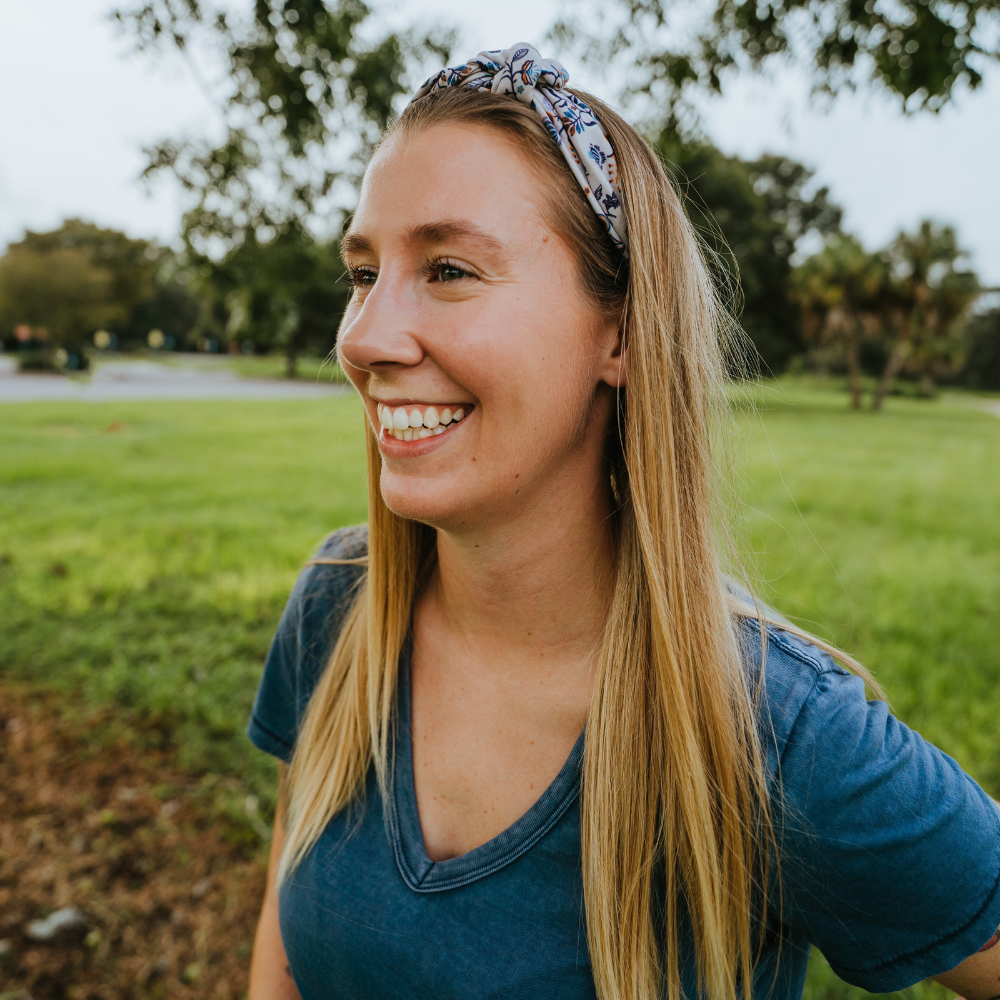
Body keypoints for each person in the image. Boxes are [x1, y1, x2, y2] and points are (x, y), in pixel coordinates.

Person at [245, 44, 1000, 1000]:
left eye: (446, 267)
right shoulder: (336, 609)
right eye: (363, 274)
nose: (362, 339)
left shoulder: (773, 731)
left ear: (622, 333)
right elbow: (282, 939)